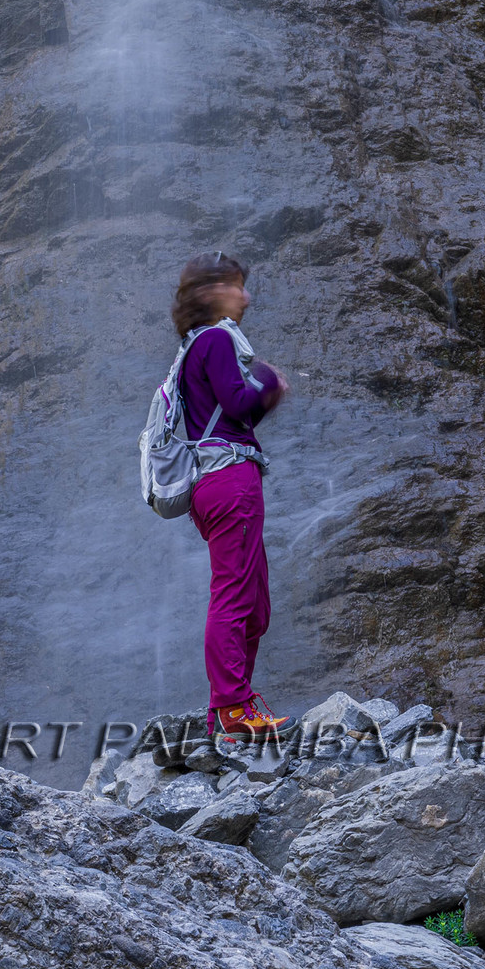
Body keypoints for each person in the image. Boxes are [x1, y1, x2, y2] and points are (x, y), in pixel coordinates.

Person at [172, 251, 289, 741]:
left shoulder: (193, 347)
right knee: (235, 596)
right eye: (237, 285)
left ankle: (229, 710)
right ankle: (231, 708)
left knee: (255, 604)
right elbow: (239, 404)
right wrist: (269, 382)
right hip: (230, 479)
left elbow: (231, 414)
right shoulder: (216, 338)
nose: (246, 296)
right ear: (209, 292)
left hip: (220, 481)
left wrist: (262, 390)